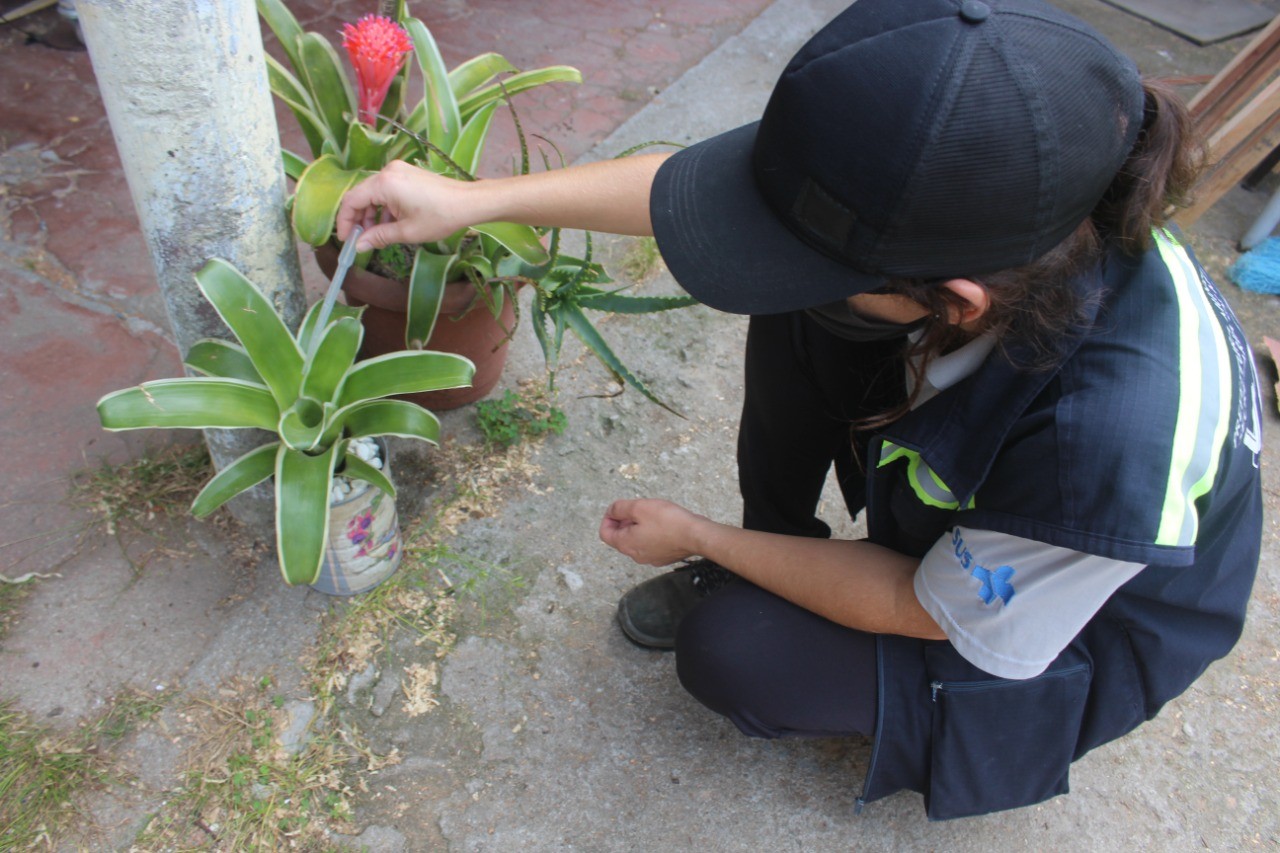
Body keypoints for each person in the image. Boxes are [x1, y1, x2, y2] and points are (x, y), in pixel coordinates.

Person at [336, 0, 1263, 819]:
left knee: (736, 653)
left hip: (1054, 619)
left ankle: (775, 581)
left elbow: (924, 605)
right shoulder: (976, 176)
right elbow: (702, 195)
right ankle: (783, 544)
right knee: (799, 296)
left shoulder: (1102, 453)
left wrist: (702, 534)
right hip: (996, 446)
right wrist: (469, 201)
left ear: (955, 299)